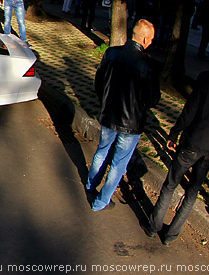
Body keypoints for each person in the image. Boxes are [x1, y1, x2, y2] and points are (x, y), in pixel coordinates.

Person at [86, 19, 160, 211]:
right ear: (144, 39)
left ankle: (91, 184)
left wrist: (105, 102)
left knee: (102, 151)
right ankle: (101, 201)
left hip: (109, 115)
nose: (151, 42)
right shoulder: (147, 64)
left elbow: (99, 83)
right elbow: (152, 99)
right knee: (119, 163)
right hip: (131, 123)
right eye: (150, 39)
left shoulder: (111, 53)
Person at [143, 71, 209, 244]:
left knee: (171, 184)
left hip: (193, 142)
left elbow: (190, 110)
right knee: (192, 191)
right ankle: (171, 235)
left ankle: (153, 226)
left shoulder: (205, 78)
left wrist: (175, 132)